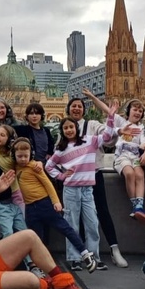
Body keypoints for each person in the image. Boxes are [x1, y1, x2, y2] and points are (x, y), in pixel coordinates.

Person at [13, 137, 97, 272]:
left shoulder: (35, 166)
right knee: (36, 239)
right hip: (30, 208)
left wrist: (56, 201)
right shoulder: (15, 167)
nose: (23, 159)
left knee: (65, 228)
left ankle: (85, 253)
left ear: (31, 155)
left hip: (44, 203)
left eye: (26, 156)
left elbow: (48, 184)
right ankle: (39, 267)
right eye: (19, 156)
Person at [45, 112, 114, 273]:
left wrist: (110, 117)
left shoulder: (90, 141)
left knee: (92, 224)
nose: (69, 130)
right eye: (65, 128)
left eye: (71, 127)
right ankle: (75, 258)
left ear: (76, 128)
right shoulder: (61, 150)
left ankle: (94, 257)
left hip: (87, 189)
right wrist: (61, 176)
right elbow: (49, 166)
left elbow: (108, 136)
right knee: (72, 225)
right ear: (62, 131)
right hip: (71, 190)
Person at [65, 92, 127, 268]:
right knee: (76, 216)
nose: (76, 108)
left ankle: (114, 250)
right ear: (68, 110)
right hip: (74, 179)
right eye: (73, 106)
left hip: (94, 174)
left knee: (102, 211)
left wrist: (113, 120)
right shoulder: (66, 127)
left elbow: (108, 138)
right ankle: (81, 254)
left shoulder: (92, 125)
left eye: (79, 106)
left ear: (84, 110)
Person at [104, 100, 145, 219]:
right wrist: (92, 97)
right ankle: (134, 203)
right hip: (122, 155)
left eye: (140, 111)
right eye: (135, 109)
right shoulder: (122, 122)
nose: (138, 112)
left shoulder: (142, 128)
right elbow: (108, 110)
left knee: (139, 175)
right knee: (129, 173)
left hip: (134, 155)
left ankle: (139, 206)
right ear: (128, 111)